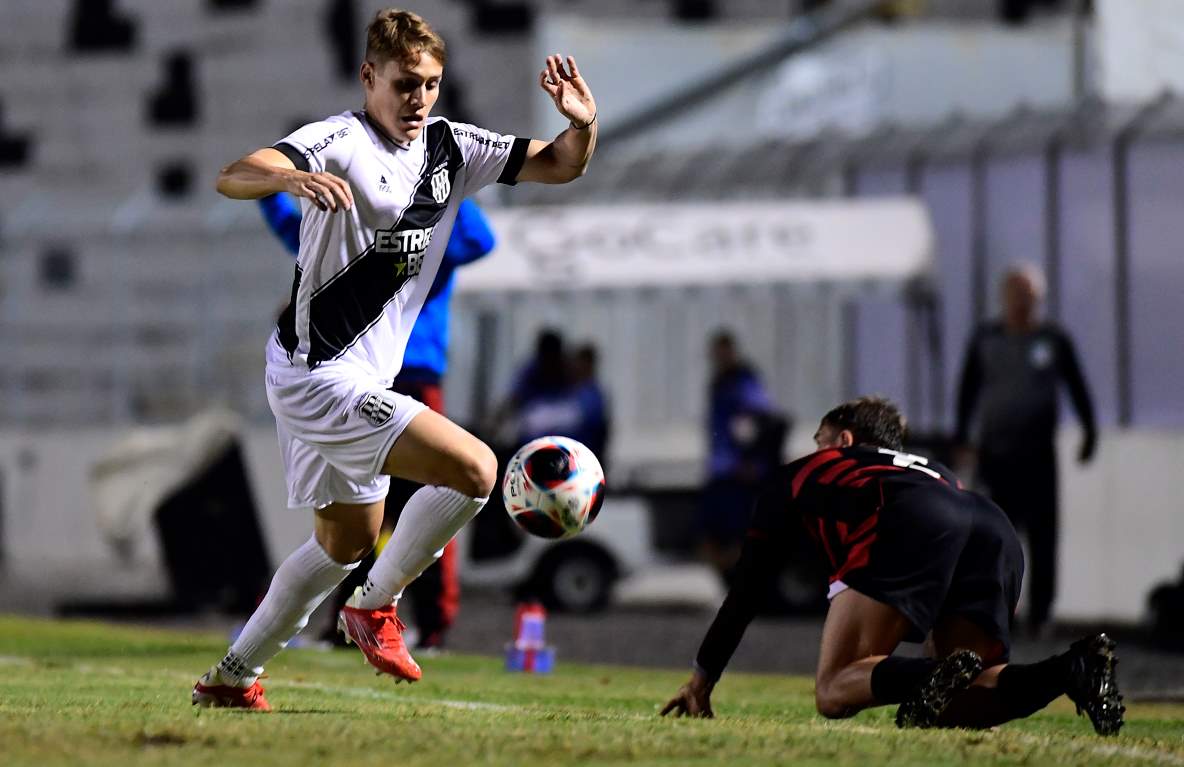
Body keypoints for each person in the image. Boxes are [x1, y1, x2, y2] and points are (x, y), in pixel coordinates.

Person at [193, 7, 597, 711]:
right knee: (475, 470)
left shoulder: (453, 147)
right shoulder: (340, 138)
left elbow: (560, 163)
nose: (419, 99)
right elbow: (234, 173)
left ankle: (231, 677)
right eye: (406, 83)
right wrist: (288, 180)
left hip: (344, 374)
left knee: (343, 543)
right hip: (317, 374)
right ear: (369, 76)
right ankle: (376, 606)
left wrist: (582, 125)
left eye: (431, 84)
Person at [662, 396, 1123, 735]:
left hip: (907, 515)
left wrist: (702, 679)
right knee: (958, 706)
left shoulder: (806, 473)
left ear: (843, 441)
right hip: (990, 523)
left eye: (819, 440)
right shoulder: (928, 466)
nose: (813, 449)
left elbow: (747, 590)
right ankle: (1068, 669)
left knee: (836, 689)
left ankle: (931, 674)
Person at [257, 191, 496, 651]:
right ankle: (349, 621)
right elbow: (298, 234)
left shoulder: (429, 238)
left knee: (438, 495)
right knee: (359, 506)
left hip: (411, 375)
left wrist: (453, 180)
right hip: (353, 378)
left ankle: (434, 625)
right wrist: (274, 188)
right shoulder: (357, 237)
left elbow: (480, 241)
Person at [955, 263, 1097, 637]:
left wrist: (1090, 433)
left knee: (1044, 535)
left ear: (1039, 298)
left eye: (1028, 295)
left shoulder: (1053, 339)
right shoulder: (985, 338)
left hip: (1037, 455)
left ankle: (1041, 613)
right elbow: (967, 391)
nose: (1022, 301)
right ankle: (999, 609)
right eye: (1016, 294)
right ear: (1003, 297)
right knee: (997, 535)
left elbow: (1077, 386)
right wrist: (961, 438)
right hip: (995, 454)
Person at [701, 330, 785, 578]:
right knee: (713, 533)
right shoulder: (721, 382)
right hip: (723, 467)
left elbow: (759, 420)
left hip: (736, 470)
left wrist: (751, 460)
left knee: (736, 532)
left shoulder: (742, 382)